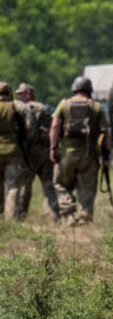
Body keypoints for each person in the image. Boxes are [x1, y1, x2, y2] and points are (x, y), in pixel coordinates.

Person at [50, 76, 110, 225]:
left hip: (66, 156)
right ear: (90, 90)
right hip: (89, 156)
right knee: (87, 189)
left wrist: (53, 148)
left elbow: (55, 127)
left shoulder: (63, 104)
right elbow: (106, 132)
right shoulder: (97, 107)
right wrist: (106, 156)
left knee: (61, 185)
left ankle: (68, 216)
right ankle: (84, 219)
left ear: (74, 89)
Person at [5, 83, 58, 221]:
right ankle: (52, 216)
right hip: (46, 152)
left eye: (21, 93)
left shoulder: (22, 109)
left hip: (30, 153)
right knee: (48, 185)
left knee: (24, 185)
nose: (19, 96)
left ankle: (21, 215)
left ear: (29, 94)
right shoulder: (46, 108)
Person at [0, 82, 31, 219]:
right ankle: (11, 218)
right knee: (12, 187)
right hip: (13, 152)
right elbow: (29, 128)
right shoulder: (17, 106)